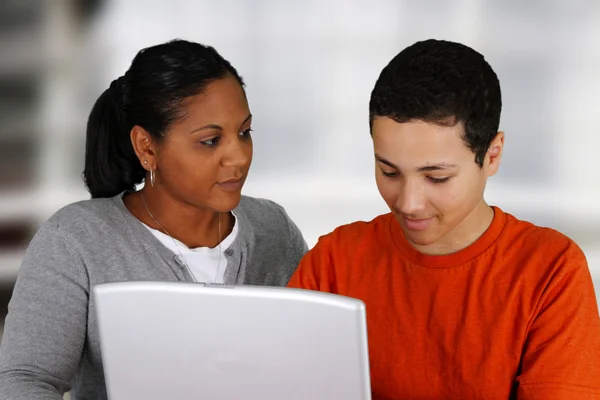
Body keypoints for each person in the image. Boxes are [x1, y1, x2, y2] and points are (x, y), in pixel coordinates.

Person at [288, 39, 600, 399]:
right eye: (389, 172)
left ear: (492, 155)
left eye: (436, 178)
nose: (408, 203)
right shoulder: (335, 261)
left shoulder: (550, 271)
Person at [0, 39, 307, 399]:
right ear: (147, 147)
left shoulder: (273, 228)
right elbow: (26, 380)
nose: (238, 157)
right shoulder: (76, 240)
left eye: (244, 133)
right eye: (210, 141)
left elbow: (311, 358)